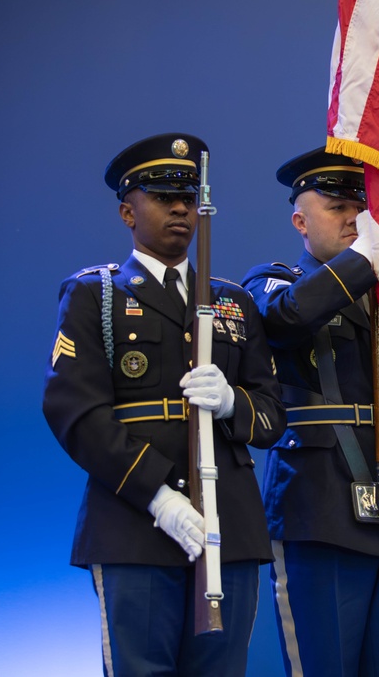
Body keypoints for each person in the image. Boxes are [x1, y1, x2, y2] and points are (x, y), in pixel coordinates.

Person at [42, 133, 287, 676]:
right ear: (128, 211)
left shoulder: (231, 301)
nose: (181, 207)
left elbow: (271, 412)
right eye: (162, 196)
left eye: (187, 196)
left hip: (230, 523)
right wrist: (157, 495)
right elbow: (74, 411)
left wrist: (232, 403)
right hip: (134, 523)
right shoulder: (95, 295)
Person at [241, 146, 379, 677]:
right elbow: (288, 319)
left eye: (362, 206)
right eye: (336, 206)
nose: (355, 217)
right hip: (321, 511)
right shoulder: (271, 281)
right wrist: (364, 260)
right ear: (300, 220)